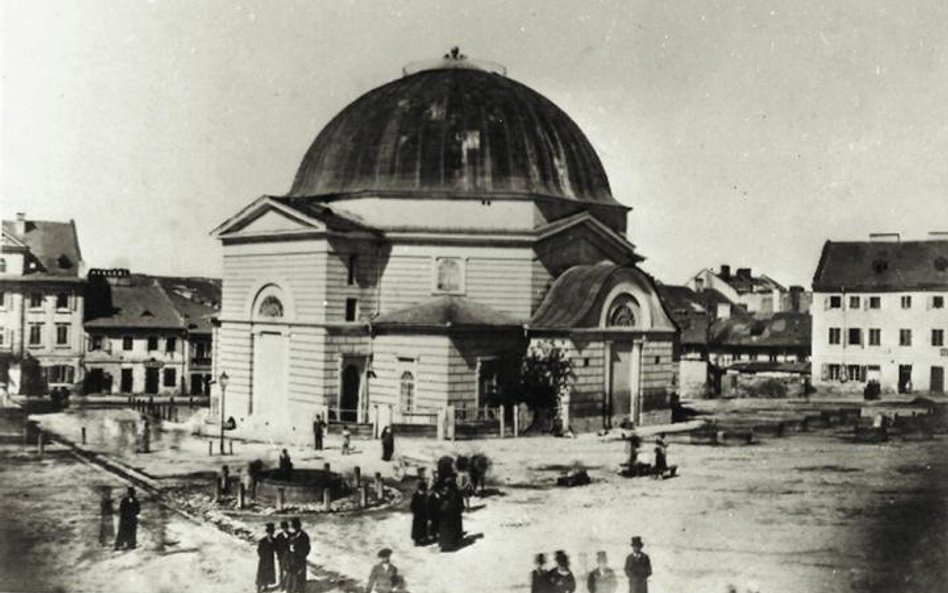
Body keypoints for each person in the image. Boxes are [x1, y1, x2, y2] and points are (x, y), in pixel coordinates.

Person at [285, 517, 311, 593]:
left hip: (300, 560)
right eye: (293, 527)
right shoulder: (292, 535)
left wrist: (299, 553)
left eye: (295, 527)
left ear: (299, 527)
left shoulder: (304, 536)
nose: (294, 529)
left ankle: (300, 590)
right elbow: (288, 546)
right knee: (291, 576)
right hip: (291, 560)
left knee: (300, 576)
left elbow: (307, 548)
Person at [437, 479, 463, 552]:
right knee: (451, 529)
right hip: (451, 512)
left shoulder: (449, 492)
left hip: (446, 512)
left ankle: (445, 545)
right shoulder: (455, 492)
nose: (445, 487)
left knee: (445, 529)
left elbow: (443, 498)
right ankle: (451, 543)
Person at [256, 523, 278, 593]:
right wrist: (263, 556)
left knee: (268, 574)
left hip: (270, 560)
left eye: (272, 532)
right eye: (269, 532)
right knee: (261, 574)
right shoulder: (263, 541)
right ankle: (259, 588)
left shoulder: (274, 540)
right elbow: (259, 550)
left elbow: (276, 549)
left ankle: (265, 587)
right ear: (267, 532)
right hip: (263, 560)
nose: (270, 534)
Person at [410, 480, 429, 546]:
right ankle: (416, 540)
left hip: (422, 514)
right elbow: (412, 505)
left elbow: (427, 505)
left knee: (422, 527)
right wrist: (414, 511)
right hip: (418, 515)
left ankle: (421, 539)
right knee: (417, 528)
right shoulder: (416, 495)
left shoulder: (424, 495)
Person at [274, 520, 291, 590]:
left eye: (286, 527)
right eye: (283, 527)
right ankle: (282, 585)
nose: (285, 529)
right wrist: (278, 555)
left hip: (289, 556)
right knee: (281, 571)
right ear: (282, 528)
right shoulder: (279, 536)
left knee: (289, 571)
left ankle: (288, 585)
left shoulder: (291, 535)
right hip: (281, 556)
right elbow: (276, 547)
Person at [426, 477, 441, 543]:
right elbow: (429, 507)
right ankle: (433, 537)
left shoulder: (440, 495)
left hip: (439, 514)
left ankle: (437, 536)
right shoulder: (431, 497)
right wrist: (429, 517)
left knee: (437, 525)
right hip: (433, 514)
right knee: (433, 526)